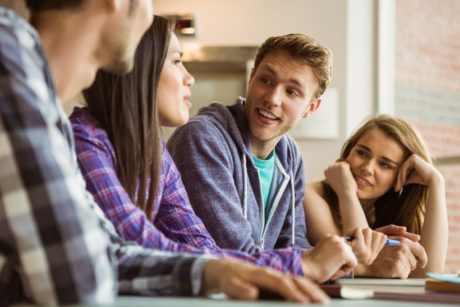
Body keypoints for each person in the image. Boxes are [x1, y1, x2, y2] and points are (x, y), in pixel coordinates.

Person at [0, 1, 328, 305]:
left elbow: (111, 253)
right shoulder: (11, 58)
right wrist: (292, 264)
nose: (190, 78)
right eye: (177, 61)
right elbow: (78, 277)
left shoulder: (51, 108)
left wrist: (215, 271)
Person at [70, 15, 357, 289]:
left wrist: (320, 263)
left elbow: (201, 247)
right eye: (177, 61)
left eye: (292, 92)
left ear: (311, 107)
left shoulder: (153, 152)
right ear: (141, 68)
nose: (189, 78)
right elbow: (137, 244)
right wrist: (301, 265)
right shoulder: (86, 142)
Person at [304, 114, 448, 277]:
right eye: (362, 153)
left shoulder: (393, 211)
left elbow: (427, 275)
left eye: (385, 165)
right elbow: (359, 263)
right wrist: (347, 193)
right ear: (349, 152)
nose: (368, 168)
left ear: (403, 176)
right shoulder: (310, 196)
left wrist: (436, 182)